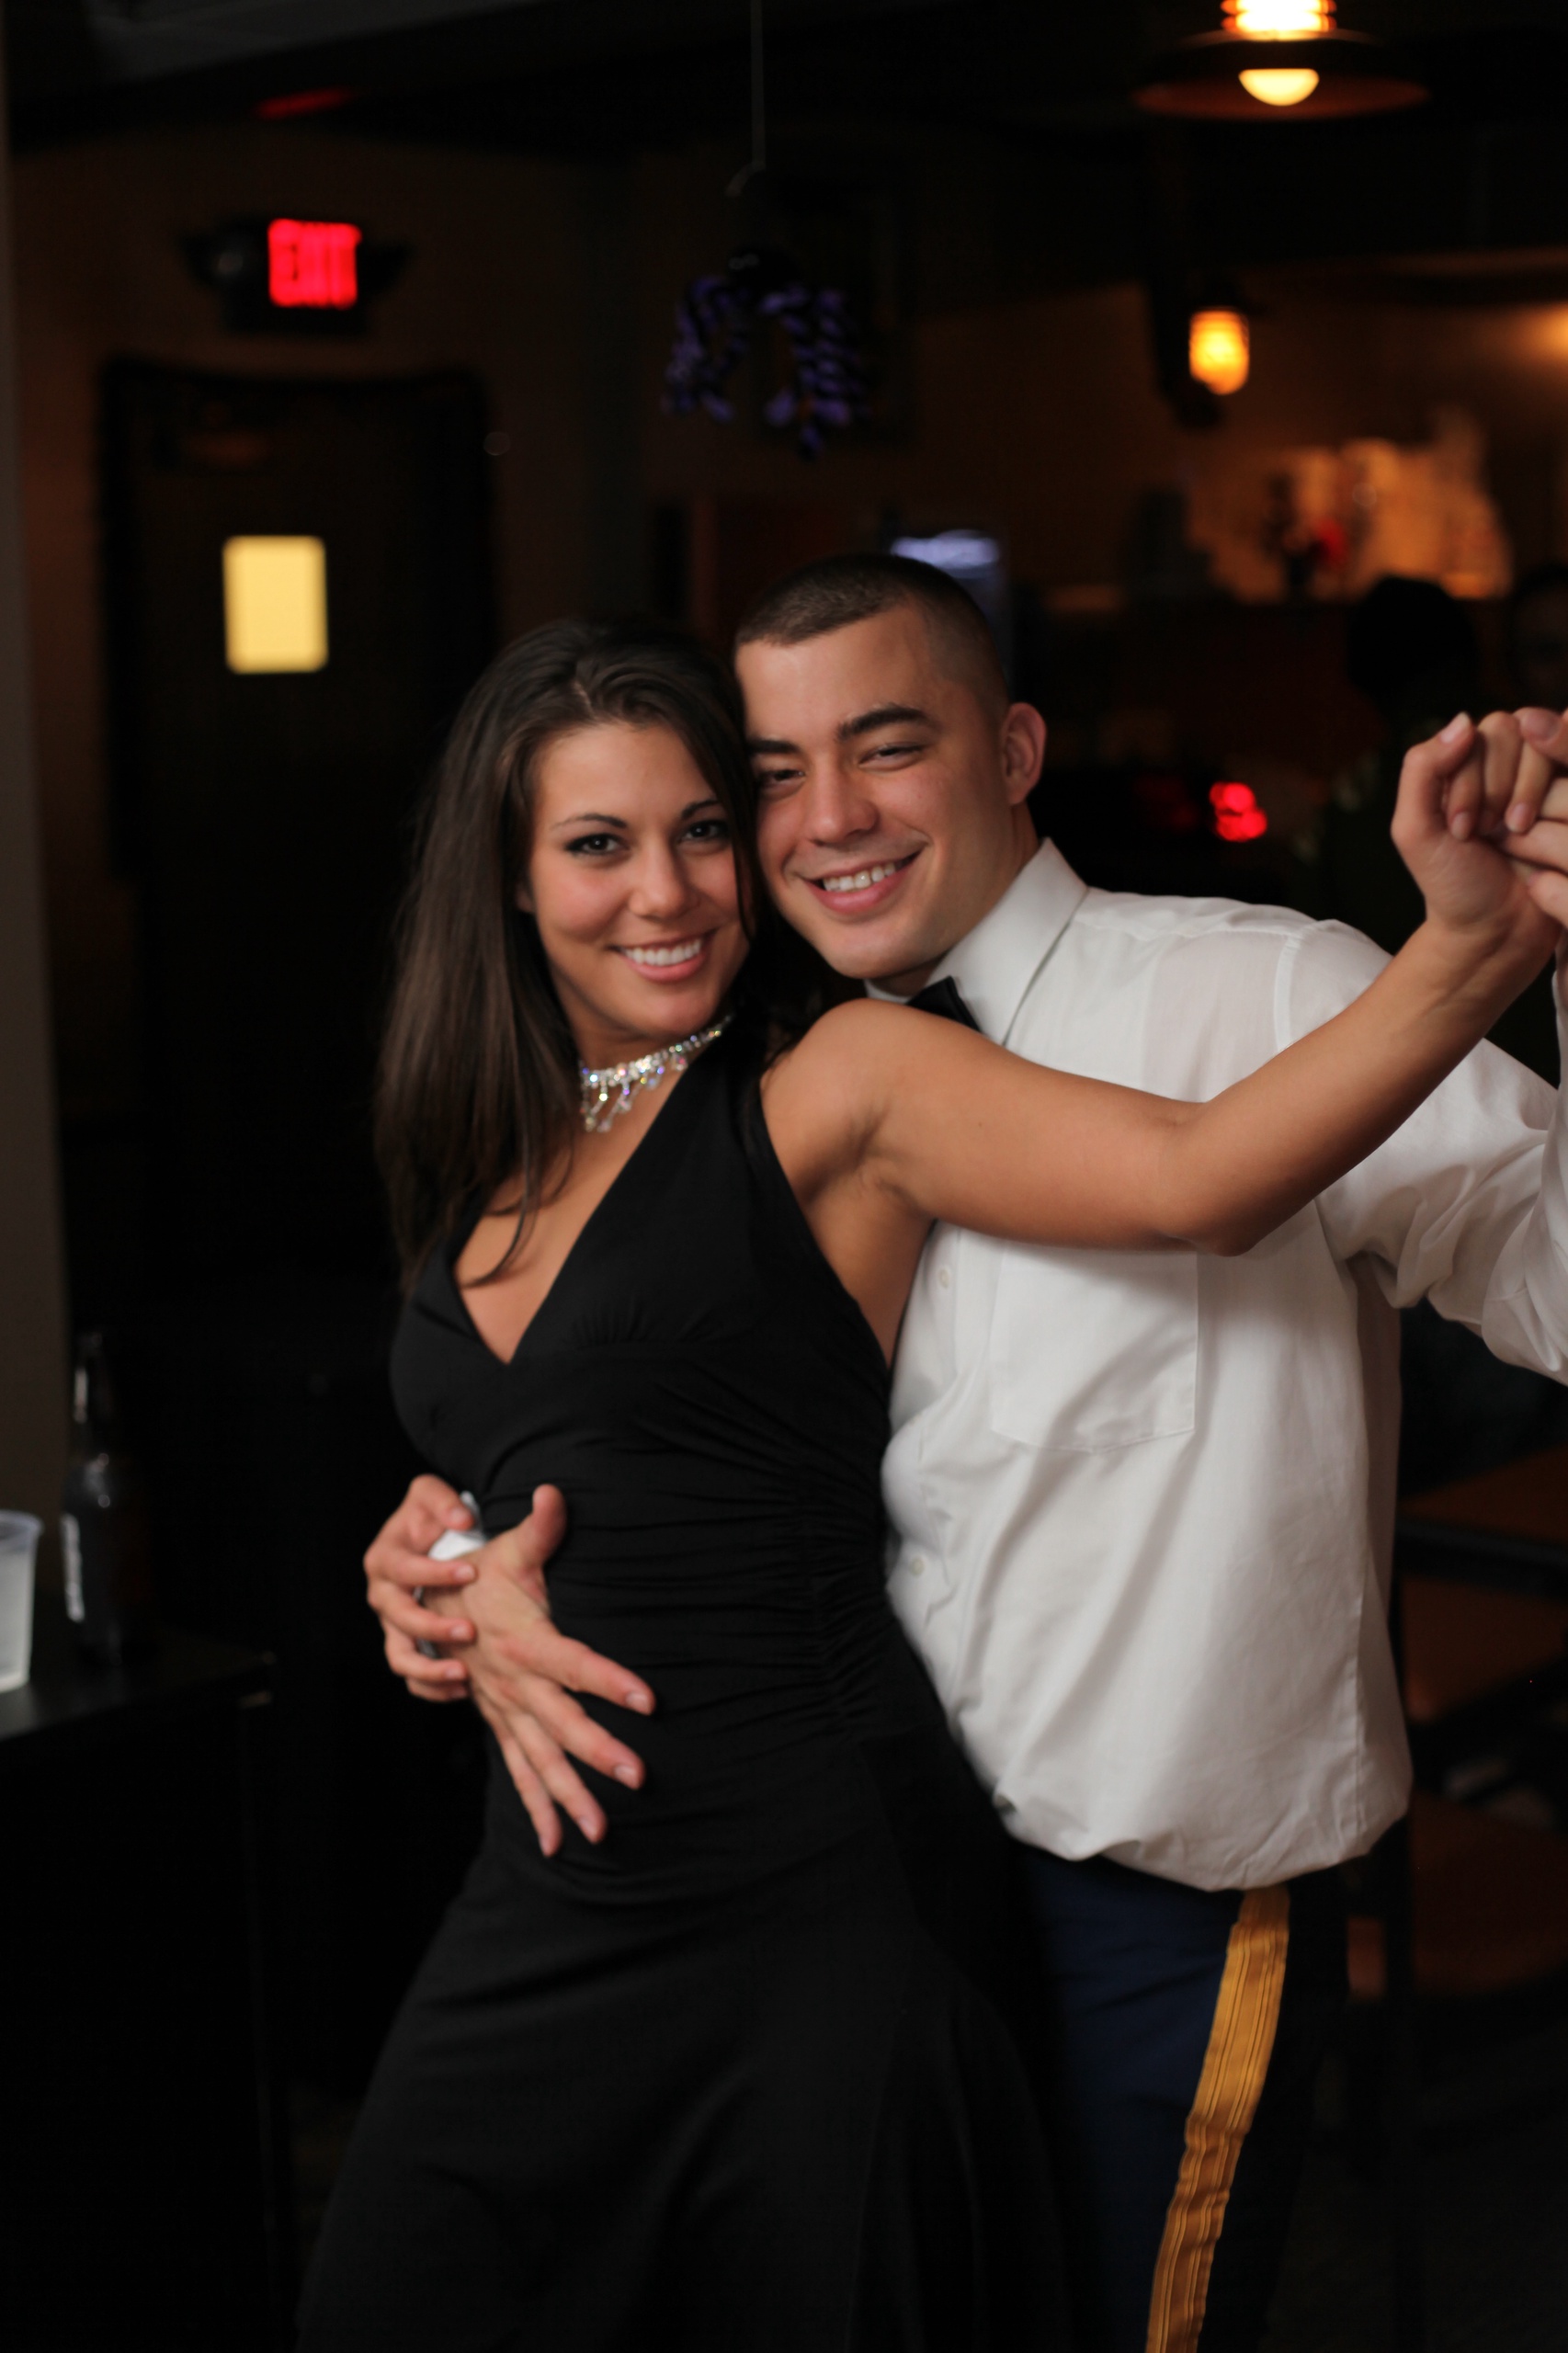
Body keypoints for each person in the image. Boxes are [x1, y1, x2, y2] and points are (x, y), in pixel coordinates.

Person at [362, 568, 1568, 2353]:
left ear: (1012, 750)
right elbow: (673, 1443)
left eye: (887, 746)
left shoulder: (1260, 989)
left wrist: (1515, 945)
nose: (826, 818)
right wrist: (460, 1550)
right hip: (878, 1878)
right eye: (773, 775)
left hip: (1146, 1903)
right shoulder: (750, 1090)